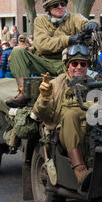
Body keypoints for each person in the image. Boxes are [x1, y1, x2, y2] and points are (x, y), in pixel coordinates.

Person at [6, 0, 98, 107]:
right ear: (48, 8)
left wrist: (94, 23)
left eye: (63, 4)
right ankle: (23, 92)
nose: (60, 7)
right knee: (17, 51)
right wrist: (69, 40)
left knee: (96, 74)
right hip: (44, 63)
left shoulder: (74, 18)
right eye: (55, 5)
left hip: (67, 63)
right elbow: (42, 44)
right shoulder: (40, 20)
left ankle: (91, 91)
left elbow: (86, 22)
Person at [32, 44, 94, 188]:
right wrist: (45, 98)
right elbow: (39, 113)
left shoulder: (94, 84)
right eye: (74, 63)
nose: (79, 67)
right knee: (71, 114)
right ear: (68, 66)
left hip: (91, 132)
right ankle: (79, 169)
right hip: (63, 133)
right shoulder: (56, 85)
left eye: (83, 64)